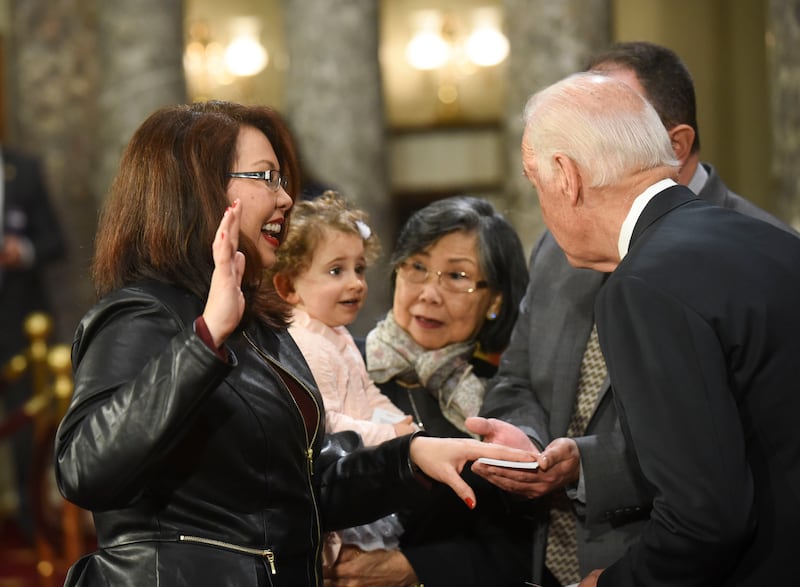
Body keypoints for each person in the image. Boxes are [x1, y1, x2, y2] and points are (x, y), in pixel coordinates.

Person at [52, 100, 535, 587]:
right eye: (266, 178)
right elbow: (85, 470)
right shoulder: (145, 313)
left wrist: (408, 459)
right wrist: (204, 339)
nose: (285, 199)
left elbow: (300, 490)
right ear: (199, 189)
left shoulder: (260, 326)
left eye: (283, 180)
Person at [469, 41, 799, 587]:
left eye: (537, 184)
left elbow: (706, 517)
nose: (543, 206)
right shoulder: (763, 242)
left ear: (566, 177)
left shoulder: (644, 283)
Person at [326, 196, 533, 587]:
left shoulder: (504, 397)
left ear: (496, 301)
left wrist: (412, 569)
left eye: (457, 277)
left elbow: (523, 548)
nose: (429, 293)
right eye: (417, 267)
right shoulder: (337, 362)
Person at [270, 189, 416, 567]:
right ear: (288, 287)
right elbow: (327, 422)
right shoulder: (306, 342)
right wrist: (390, 437)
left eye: (359, 269)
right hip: (337, 480)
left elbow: (369, 396)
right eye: (337, 270)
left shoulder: (337, 334)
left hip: (362, 465)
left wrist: (401, 424)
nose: (355, 283)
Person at [0, 145, 67, 539]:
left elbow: (54, 240)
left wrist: (20, 251)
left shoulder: (21, 170)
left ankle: (31, 522)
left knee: (27, 431)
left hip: (20, 327)